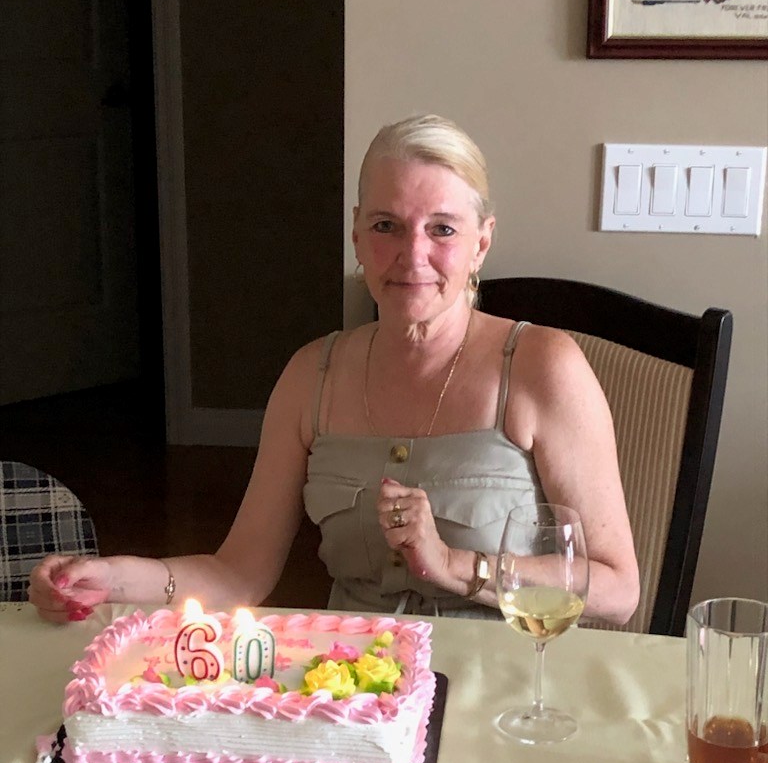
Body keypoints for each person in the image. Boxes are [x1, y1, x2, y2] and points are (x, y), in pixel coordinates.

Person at [29, 114, 640, 625]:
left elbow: (617, 589)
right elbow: (238, 573)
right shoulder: (311, 376)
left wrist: (457, 566)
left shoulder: (542, 366)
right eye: (386, 226)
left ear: (481, 242)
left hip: (507, 691)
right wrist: (111, 578)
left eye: (442, 229)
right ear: (356, 234)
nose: (412, 255)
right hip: (352, 687)